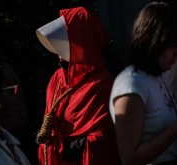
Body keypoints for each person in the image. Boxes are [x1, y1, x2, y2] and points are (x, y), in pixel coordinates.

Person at [35, 6, 120, 165]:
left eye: (65, 39)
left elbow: (104, 136)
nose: (58, 47)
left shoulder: (102, 83)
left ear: (81, 41)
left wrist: (71, 147)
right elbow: (50, 118)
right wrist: (45, 134)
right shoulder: (58, 78)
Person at [109, 2, 177, 165]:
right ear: (154, 41)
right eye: (173, 48)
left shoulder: (158, 76)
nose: (176, 55)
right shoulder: (131, 85)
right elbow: (130, 158)